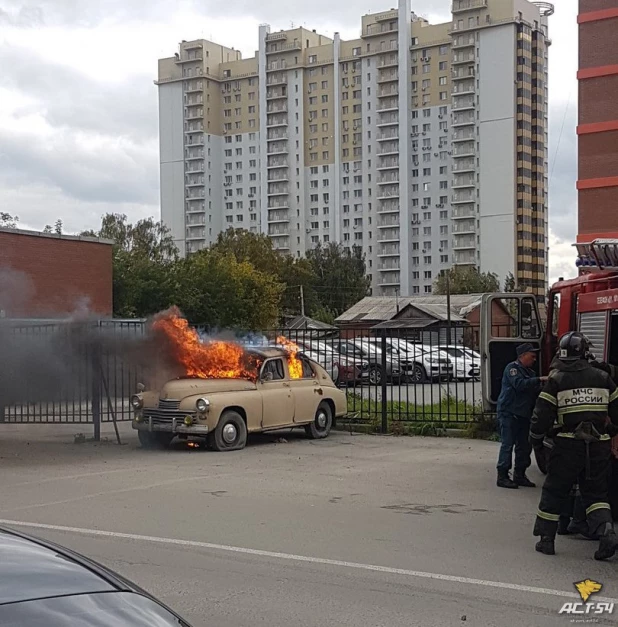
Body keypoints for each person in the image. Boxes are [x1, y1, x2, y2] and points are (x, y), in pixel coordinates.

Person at [530, 331, 618, 560]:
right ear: (585, 353)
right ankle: (606, 531)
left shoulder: (556, 380)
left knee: (554, 490)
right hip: (598, 446)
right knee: (596, 494)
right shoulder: (602, 377)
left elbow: (541, 416)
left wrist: (536, 439)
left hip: (567, 446)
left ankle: (546, 540)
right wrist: (611, 430)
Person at [496, 343, 547, 489]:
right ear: (522, 356)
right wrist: (540, 379)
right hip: (509, 413)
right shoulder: (512, 369)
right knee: (507, 444)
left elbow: (535, 391)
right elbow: (519, 384)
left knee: (524, 446)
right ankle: (503, 475)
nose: (534, 359)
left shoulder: (529, 372)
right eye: (532, 356)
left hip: (523, 414)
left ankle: (520, 474)